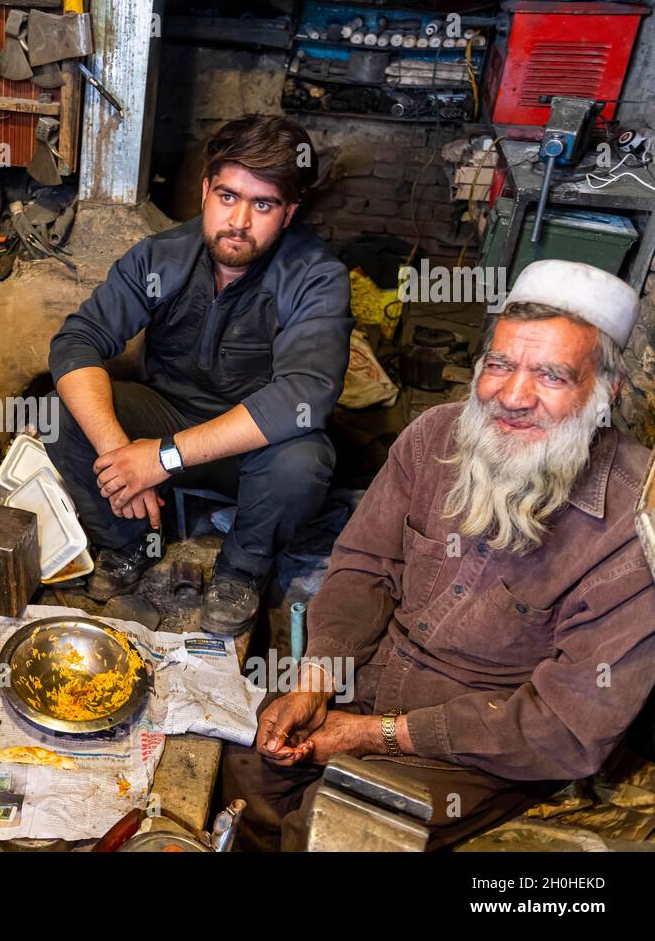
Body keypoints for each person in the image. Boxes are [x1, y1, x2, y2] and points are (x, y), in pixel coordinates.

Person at [222, 260, 655, 850]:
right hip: (371, 677)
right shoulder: (434, 436)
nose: (513, 396)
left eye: (551, 376)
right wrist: (317, 678)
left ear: (606, 393)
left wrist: (373, 735)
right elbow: (364, 567)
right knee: (247, 776)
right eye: (499, 365)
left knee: (327, 836)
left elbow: (565, 729)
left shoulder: (633, 527)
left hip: (479, 741)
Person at [46, 114, 352, 635]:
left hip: (252, 448)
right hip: (164, 418)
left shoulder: (317, 278)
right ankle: (129, 543)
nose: (239, 220)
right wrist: (120, 455)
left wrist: (163, 457)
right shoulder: (159, 256)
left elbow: (306, 394)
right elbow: (78, 341)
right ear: (205, 190)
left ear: (289, 212)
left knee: (305, 461)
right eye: (228, 197)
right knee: (59, 412)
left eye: (263, 205)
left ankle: (241, 573)